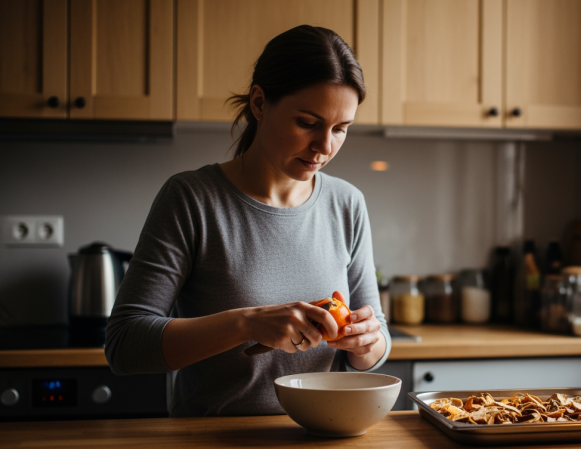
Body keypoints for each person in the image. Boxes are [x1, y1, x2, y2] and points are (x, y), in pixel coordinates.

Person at [105, 25, 390, 417]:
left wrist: (367, 343)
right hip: (216, 440)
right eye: (308, 123)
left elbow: (377, 342)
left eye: (340, 129)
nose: (325, 147)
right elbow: (125, 345)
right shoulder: (191, 198)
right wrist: (248, 324)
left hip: (320, 438)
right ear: (259, 102)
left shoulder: (347, 203)